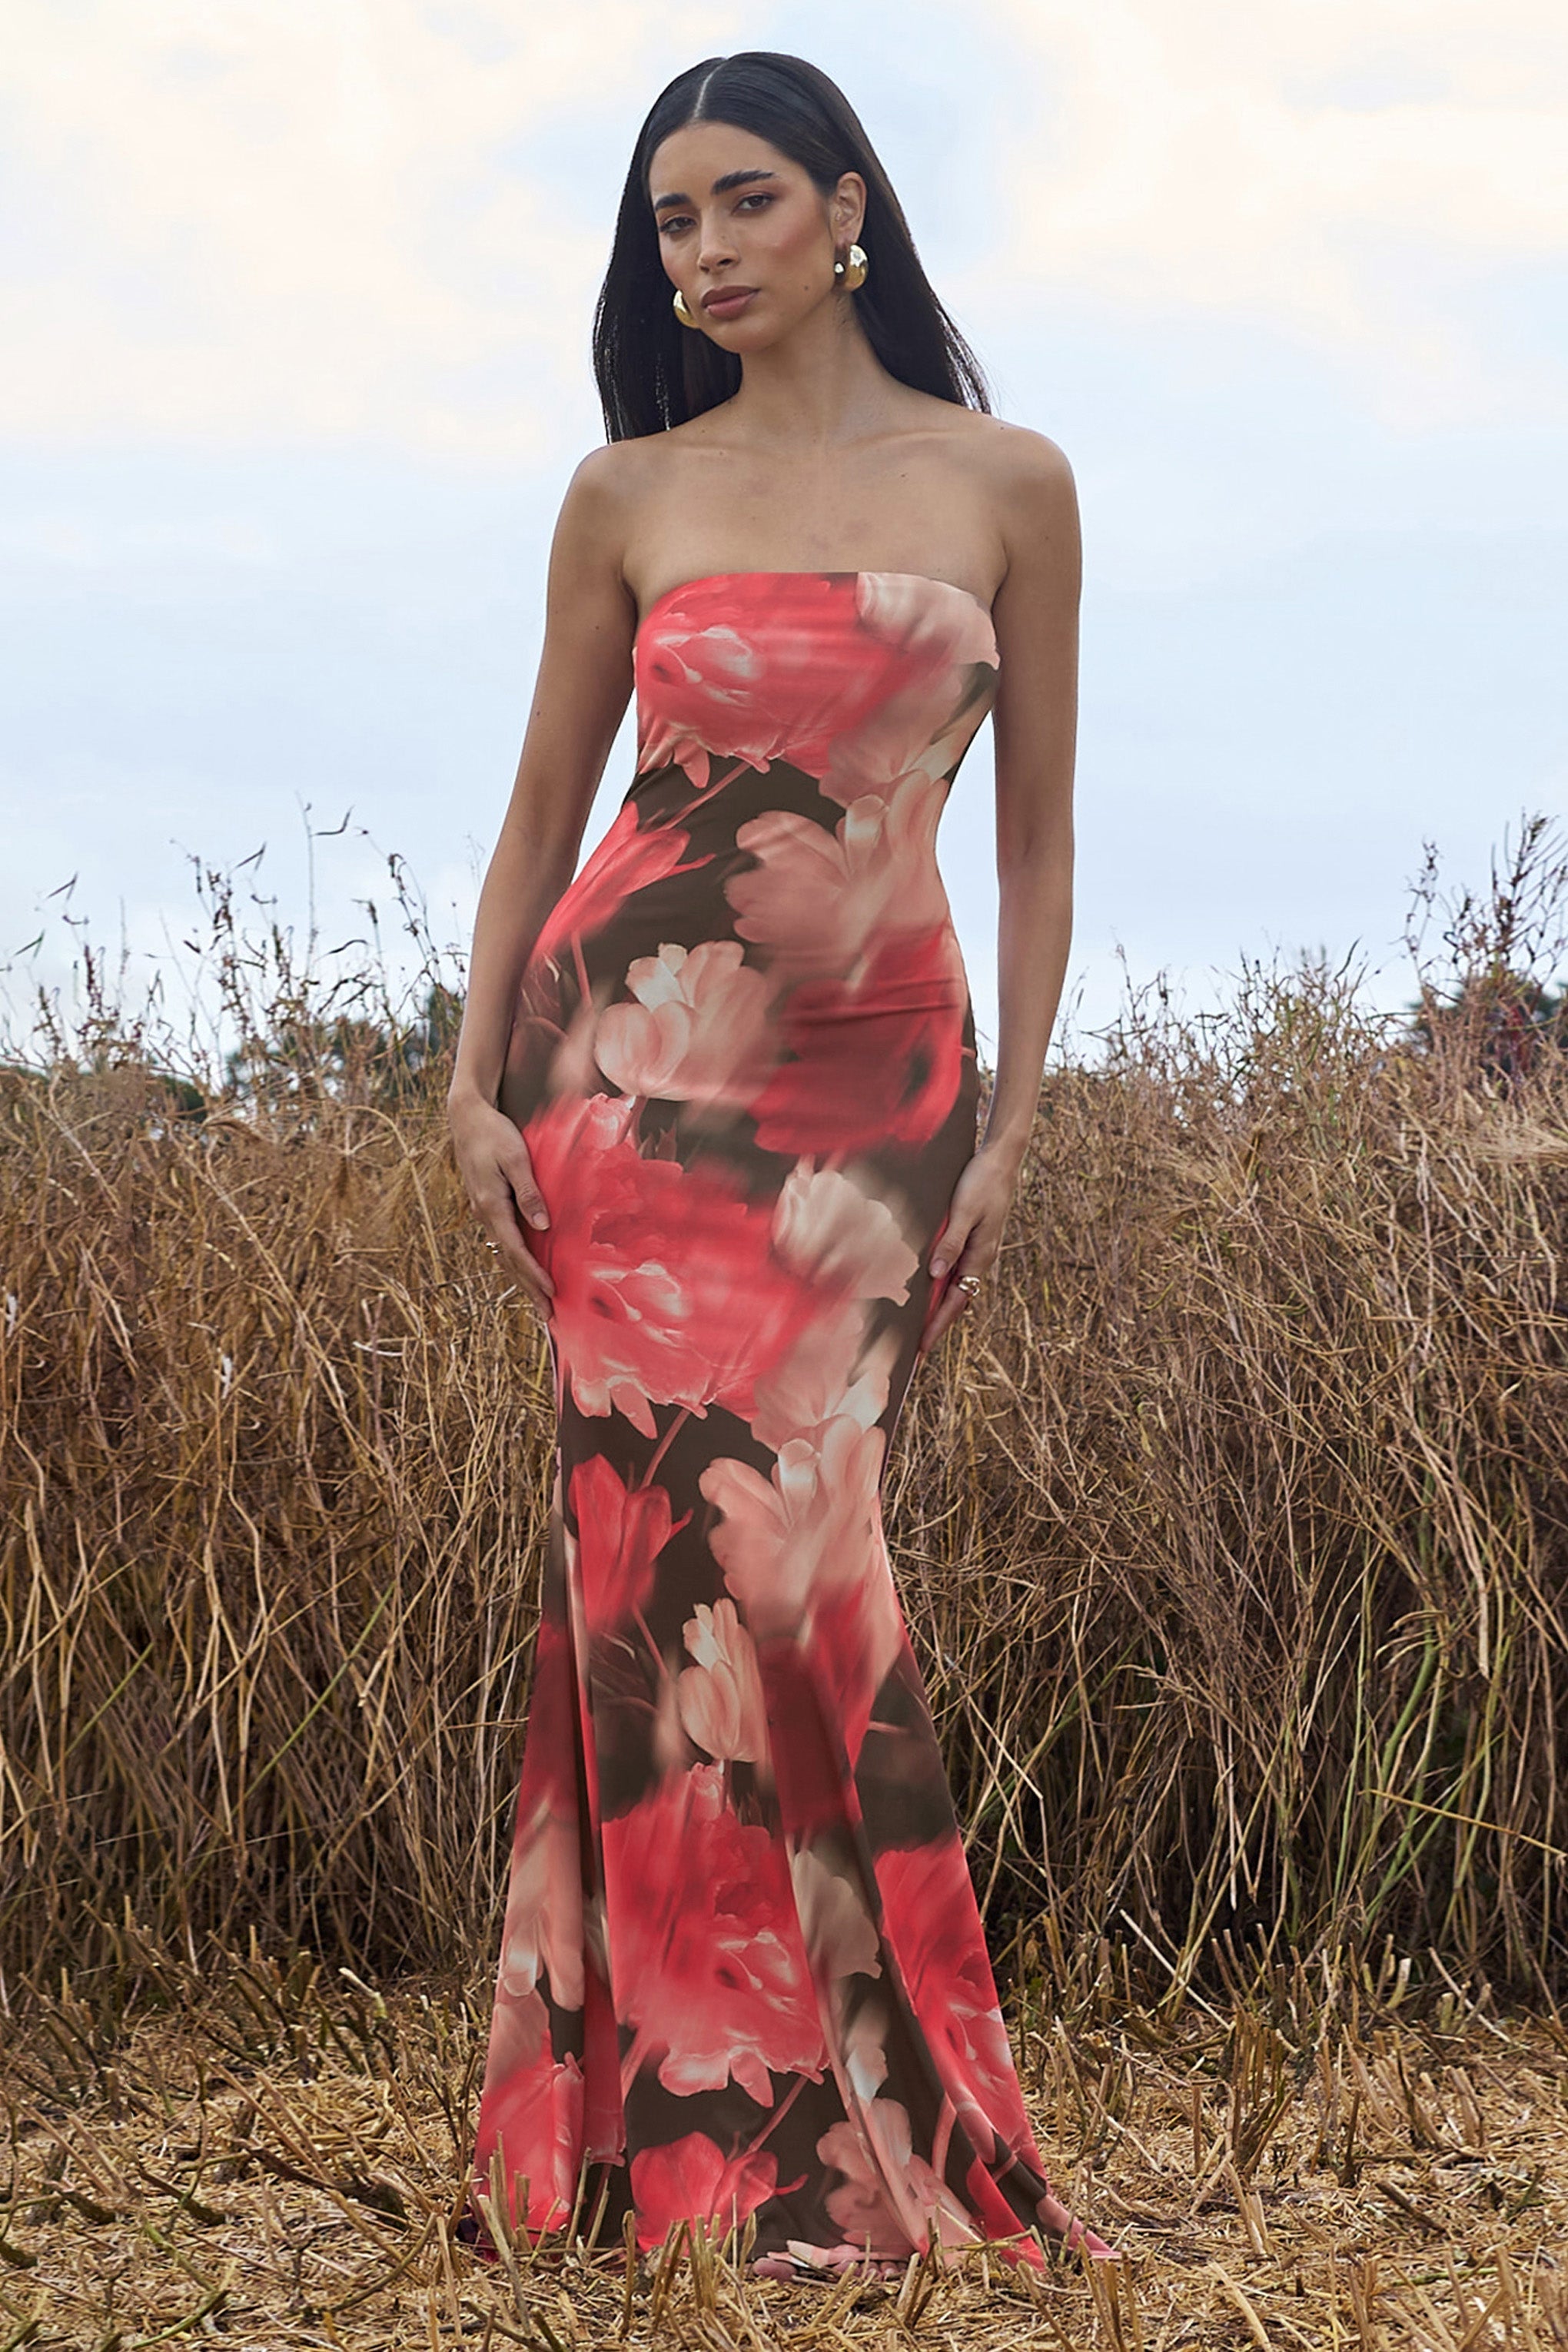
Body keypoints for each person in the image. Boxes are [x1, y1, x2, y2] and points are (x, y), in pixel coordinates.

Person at [445, 50, 1112, 2281]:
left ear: (848, 209)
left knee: (812, 1562)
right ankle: (685, 2151)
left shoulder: (1009, 485)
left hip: (872, 1096)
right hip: (623, 1091)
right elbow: (544, 814)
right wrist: (470, 1084)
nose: (704, 250)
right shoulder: (625, 496)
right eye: (670, 220)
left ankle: (865, 2126)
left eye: (744, 201)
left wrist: (1018, 1120)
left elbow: (1037, 843)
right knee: (653, 1588)